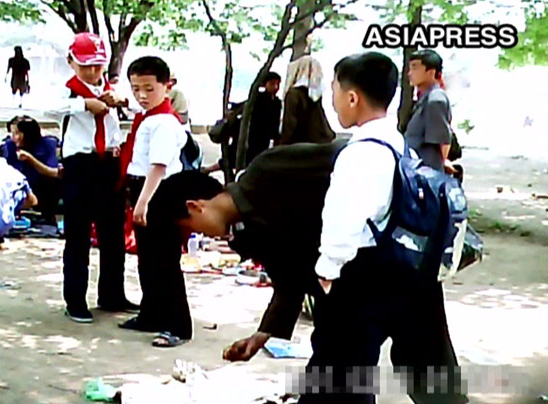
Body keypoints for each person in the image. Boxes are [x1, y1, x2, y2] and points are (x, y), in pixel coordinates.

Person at [160, 52, 467, 403]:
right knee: (408, 375)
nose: (201, 235)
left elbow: (341, 171)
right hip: (398, 269)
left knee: (365, 377)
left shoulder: (272, 170)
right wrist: (265, 334)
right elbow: (290, 277)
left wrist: (328, 271)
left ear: (195, 206)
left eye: (192, 226)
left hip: (370, 272)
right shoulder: (247, 231)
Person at [45, 32, 138, 323]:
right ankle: (75, 300)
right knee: (78, 236)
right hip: (80, 167)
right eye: (86, 65)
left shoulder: (114, 88)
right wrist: (85, 104)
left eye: (98, 65)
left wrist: (121, 100)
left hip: (109, 165)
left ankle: (112, 294)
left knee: (113, 235)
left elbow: (140, 107)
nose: (93, 72)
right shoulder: (68, 92)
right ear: (71, 62)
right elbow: (47, 108)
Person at [117, 56, 191, 348]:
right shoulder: (147, 116)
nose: (142, 95)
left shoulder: (164, 122)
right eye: (136, 89)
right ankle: (151, 313)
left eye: (149, 88)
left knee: (165, 262)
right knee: (147, 260)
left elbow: (158, 166)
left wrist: (143, 203)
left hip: (157, 192)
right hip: (143, 189)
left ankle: (178, 325)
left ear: (166, 86)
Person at [2, 116, 60, 223]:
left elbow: (54, 173)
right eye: (12, 134)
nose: (14, 138)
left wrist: (30, 159)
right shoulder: (10, 146)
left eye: (17, 133)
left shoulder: (47, 144)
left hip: (41, 188)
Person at [404, 49, 452, 171]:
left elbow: (443, 141)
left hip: (426, 173)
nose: (410, 73)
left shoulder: (435, 100)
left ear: (431, 72)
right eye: (410, 68)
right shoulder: (424, 98)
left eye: (415, 68)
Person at [280, 55, 335, 145]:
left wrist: (283, 145)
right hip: (320, 140)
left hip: (302, 144)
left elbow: (290, 123)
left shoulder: (293, 93)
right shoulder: (315, 93)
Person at [246, 72, 282, 165]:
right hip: (256, 135)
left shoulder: (277, 102)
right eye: (272, 84)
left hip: (268, 136)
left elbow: (276, 121)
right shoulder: (259, 98)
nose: (276, 87)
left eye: (277, 84)